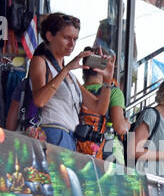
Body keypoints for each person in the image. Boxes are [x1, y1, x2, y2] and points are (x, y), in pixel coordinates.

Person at [27, 12, 112, 150]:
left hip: (69, 137)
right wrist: (66, 69)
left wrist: (108, 80)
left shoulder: (70, 75)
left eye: (75, 39)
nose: (72, 44)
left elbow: (99, 108)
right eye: (66, 37)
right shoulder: (41, 61)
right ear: (49, 36)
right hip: (52, 131)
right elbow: (39, 100)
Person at [89, 51, 129, 165]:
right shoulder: (113, 92)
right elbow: (120, 128)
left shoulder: (78, 89)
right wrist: (127, 124)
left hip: (82, 147)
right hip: (108, 150)